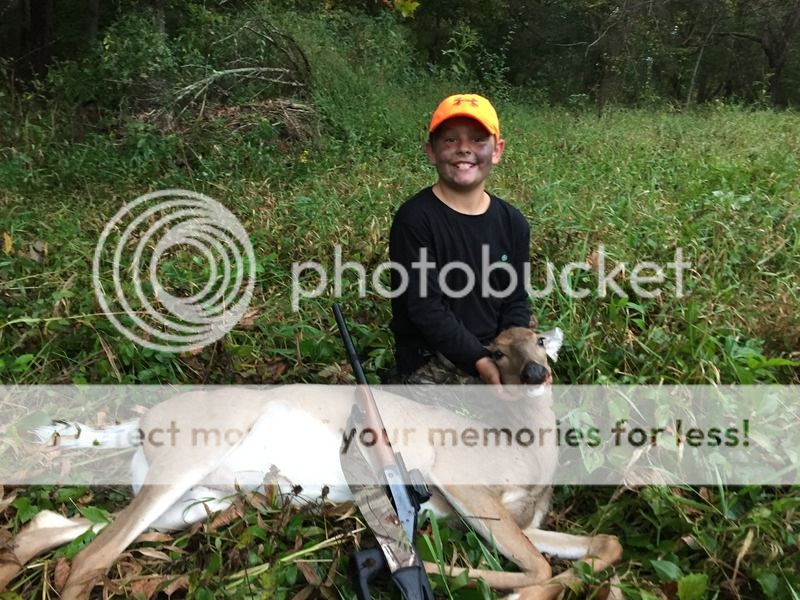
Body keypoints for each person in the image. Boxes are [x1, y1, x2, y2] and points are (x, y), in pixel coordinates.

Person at [389, 93, 532, 393]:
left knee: (533, 396)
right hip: (434, 357)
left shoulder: (513, 222)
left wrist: (513, 356)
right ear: (431, 151)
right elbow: (425, 308)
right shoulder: (414, 219)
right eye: (450, 140)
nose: (464, 148)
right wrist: (480, 362)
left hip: (496, 348)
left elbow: (516, 299)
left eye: (478, 139)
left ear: (497, 150)